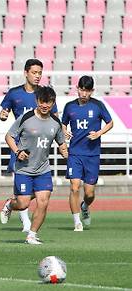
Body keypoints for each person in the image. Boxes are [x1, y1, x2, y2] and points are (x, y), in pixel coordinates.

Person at [0, 86, 68, 244]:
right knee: (23, 203)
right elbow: (9, 137)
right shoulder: (26, 118)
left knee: (43, 201)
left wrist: (64, 151)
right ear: (37, 101)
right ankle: (10, 204)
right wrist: (17, 151)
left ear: (53, 103)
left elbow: (61, 142)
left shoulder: (56, 122)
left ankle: (32, 235)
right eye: (42, 102)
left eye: (49, 102)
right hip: (24, 168)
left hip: (43, 169)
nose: (45, 105)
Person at [0, 59, 57, 232]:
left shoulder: (46, 95)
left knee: (33, 193)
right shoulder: (14, 93)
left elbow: (55, 117)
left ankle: (12, 205)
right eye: (34, 72)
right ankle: (26, 224)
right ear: (26, 73)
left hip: (38, 147)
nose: (37, 76)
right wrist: (3, 115)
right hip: (19, 146)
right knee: (22, 191)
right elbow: (4, 112)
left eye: (40, 73)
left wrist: (63, 133)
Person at [61, 76, 113, 231]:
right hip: (75, 153)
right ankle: (77, 222)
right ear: (77, 88)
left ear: (92, 91)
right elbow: (63, 124)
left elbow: (110, 122)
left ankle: (85, 206)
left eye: (87, 91)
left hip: (92, 154)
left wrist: (98, 133)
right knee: (74, 187)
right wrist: (65, 132)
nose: (84, 93)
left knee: (89, 193)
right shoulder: (69, 106)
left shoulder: (98, 105)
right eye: (81, 90)